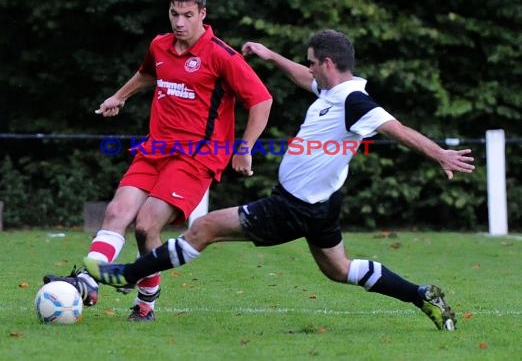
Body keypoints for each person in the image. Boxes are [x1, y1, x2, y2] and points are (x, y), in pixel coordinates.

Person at [83, 29, 476, 330]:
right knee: (339, 270)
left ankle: (126, 274)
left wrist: (438, 153)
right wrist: (270, 56)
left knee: (204, 227)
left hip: (293, 207)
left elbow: (397, 129)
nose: (307, 68)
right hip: (322, 205)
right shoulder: (332, 91)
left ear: (326, 62)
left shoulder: (356, 101)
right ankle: (421, 296)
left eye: (310, 62)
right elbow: (305, 81)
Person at [43, 0, 273, 321]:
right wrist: (119, 96)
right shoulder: (160, 46)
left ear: (202, 14)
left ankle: (145, 301)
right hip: (155, 149)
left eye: (187, 15)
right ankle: (89, 280)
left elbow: (262, 100)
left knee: (146, 225)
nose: (179, 22)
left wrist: (245, 147)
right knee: (117, 213)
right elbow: (147, 73)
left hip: (197, 157)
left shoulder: (222, 56)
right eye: (174, 13)